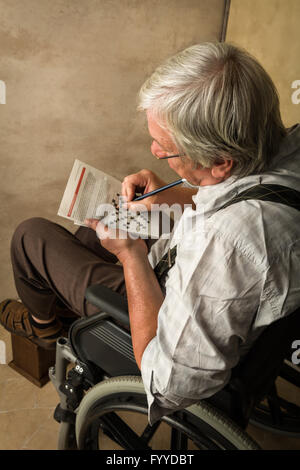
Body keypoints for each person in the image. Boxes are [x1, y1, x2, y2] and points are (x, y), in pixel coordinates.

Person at [1, 42, 300, 425]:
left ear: (221, 162)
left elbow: (167, 382)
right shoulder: (285, 149)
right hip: (219, 286)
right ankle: (57, 310)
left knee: (32, 238)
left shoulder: (226, 244)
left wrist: (131, 256)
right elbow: (243, 194)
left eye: (166, 150)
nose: (154, 149)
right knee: (87, 235)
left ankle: (45, 327)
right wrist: (176, 193)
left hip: (163, 327)